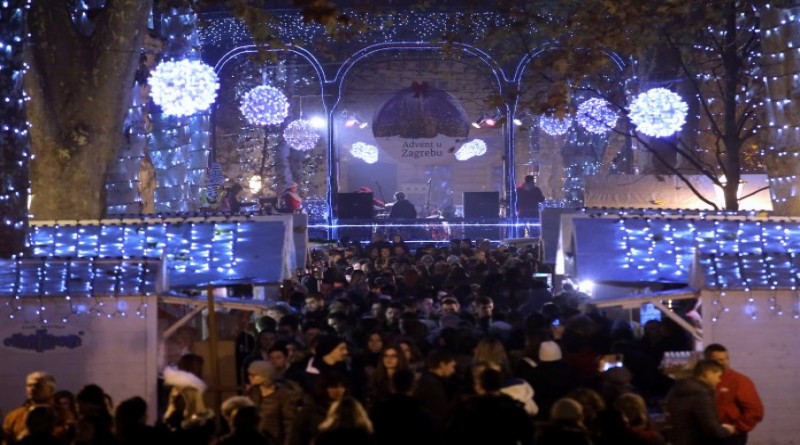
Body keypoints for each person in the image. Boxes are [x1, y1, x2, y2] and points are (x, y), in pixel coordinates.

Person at [704, 343, 764, 445]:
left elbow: (755, 410)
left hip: (731, 437)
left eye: (726, 358)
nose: (724, 363)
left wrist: (737, 429)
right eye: (719, 360)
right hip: (706, 435)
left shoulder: (739, 381)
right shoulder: (702, 381)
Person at [664, 359, 735, 445]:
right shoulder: (701, 394)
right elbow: (711, 428)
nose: (719, 380)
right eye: (718, 376)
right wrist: (727, 431)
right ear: (708, 373)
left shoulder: (679, 388)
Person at [3, 372, 57, 445]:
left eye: (38, 385)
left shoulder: (61, 414)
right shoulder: (14, 415)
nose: (32, 389)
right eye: (29, 385)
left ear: (51, 389)